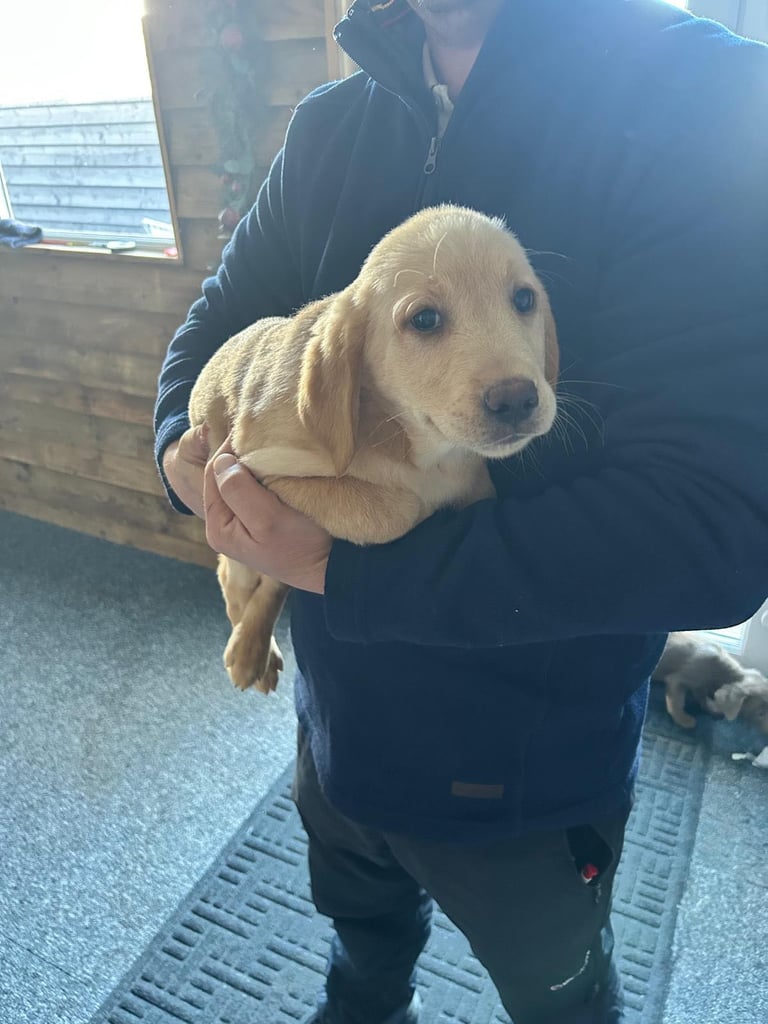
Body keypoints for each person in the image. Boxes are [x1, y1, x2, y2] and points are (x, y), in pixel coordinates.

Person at [154, 1, 768, 1021]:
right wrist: (187, 459)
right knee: (363, 937)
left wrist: (342, 568)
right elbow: (212, 330)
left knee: (561, 995)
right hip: (341, 725)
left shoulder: (709, 97)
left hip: (527, 771)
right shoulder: (329, 125)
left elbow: (717, 529)